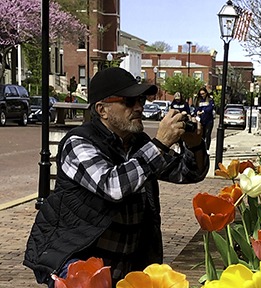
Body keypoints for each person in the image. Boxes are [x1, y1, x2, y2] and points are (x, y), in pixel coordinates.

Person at [23, 67, 209, 288]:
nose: (139, 107)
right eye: (129, 101)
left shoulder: (137, 143)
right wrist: (159, 145)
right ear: (102, 109)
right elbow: (112, 186)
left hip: (124, 266)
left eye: (141, 99)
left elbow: (189, 173)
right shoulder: (79, 143)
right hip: (76, 260)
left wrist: (194, 143)